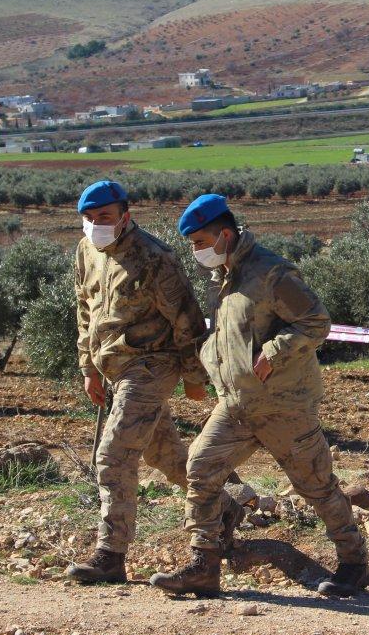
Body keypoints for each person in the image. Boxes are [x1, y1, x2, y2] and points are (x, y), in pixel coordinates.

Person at [149, 194, 368, 598]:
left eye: (201, 242)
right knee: (199, 469)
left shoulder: (271, 273)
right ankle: (204, 565)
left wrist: (273, 352)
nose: (197, 251)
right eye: (193, 244)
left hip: (282, 405)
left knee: (315, 485)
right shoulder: (225, 278)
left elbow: (317, 322)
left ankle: (353, 562)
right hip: (235, 405)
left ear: (225, 234)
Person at [65, 180, 239, 584]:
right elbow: (84, 309)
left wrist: (195, 377)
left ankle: (110, 555)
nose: (95, 225)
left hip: (151, 365)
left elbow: (188, 319)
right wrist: (88, 368)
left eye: (104, 217)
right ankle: (225, 508)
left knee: (113, 455)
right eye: (88, 219)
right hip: (114, 368)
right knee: (164, 455)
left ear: (125, 214)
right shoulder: (86, 250)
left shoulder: (154, 258)